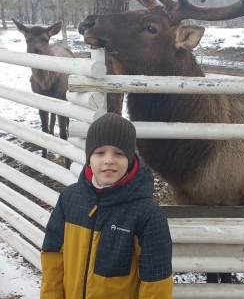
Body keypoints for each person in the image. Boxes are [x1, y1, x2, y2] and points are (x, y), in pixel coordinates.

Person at [40, 112, 173, 299]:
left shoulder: (147, 215)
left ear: (129, 159)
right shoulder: (69, 200)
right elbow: (53, 259)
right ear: (89, 158)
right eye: (100, 152)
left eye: (119, 153)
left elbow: (156, 282)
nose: (109, 160)